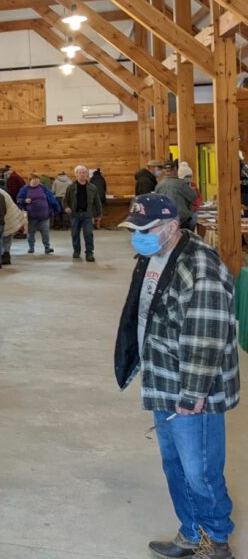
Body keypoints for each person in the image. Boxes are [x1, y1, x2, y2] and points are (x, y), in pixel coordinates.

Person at [115, 194, 239, 559]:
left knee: (200, 471)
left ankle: (216, 542)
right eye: (133, 229)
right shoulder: (156, 254)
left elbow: (206, 335)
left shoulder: (201, 266)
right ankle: (191, 533)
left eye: (144, 229)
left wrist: (192, 394)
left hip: (191, 392)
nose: (137, 236)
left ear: (171, 227)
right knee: (175, 465)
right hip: (163, 380)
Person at [64, 165, 103, 262]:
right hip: (75, 215)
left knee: (88, 234)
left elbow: (97, 202)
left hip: (87, 215)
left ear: (87, 175)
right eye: (80, 173)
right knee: (75, 234)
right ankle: (76, 251)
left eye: (84, 172)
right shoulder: (71, 187)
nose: (82, 175)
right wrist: (66, 207)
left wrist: (99, 214)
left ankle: (89, 253)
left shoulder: (93, 187)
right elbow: (65, 201)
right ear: (76, 175)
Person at [17, 174, 60, 255]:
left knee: (46, 232)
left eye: (37, 179)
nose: (36, 181)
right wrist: (25, 201)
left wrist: (56, 208)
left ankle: (47, 248)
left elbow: (51, 198)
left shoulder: (43, 188)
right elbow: (19, 200)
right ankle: (31, 248)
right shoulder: (24, 189)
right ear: (30, 180)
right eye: (34, 179)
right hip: (31, 216)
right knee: (31, 233)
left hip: (44, 215)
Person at [155, 161, 198, 230]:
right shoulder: (181, 184)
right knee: (194, 218)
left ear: (164, 171)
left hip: (165, 218)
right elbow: (193, 197)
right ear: (175, 169)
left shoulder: (159, 185)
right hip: (182, 219)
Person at [178, 162, 203, 227]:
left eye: (190, 176)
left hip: (192, 213)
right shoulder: (177, 186)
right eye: (186, 177)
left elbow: (199, 198)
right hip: (181, 215)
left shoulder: (193, 186)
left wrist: (195, 206)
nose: (189, 178)